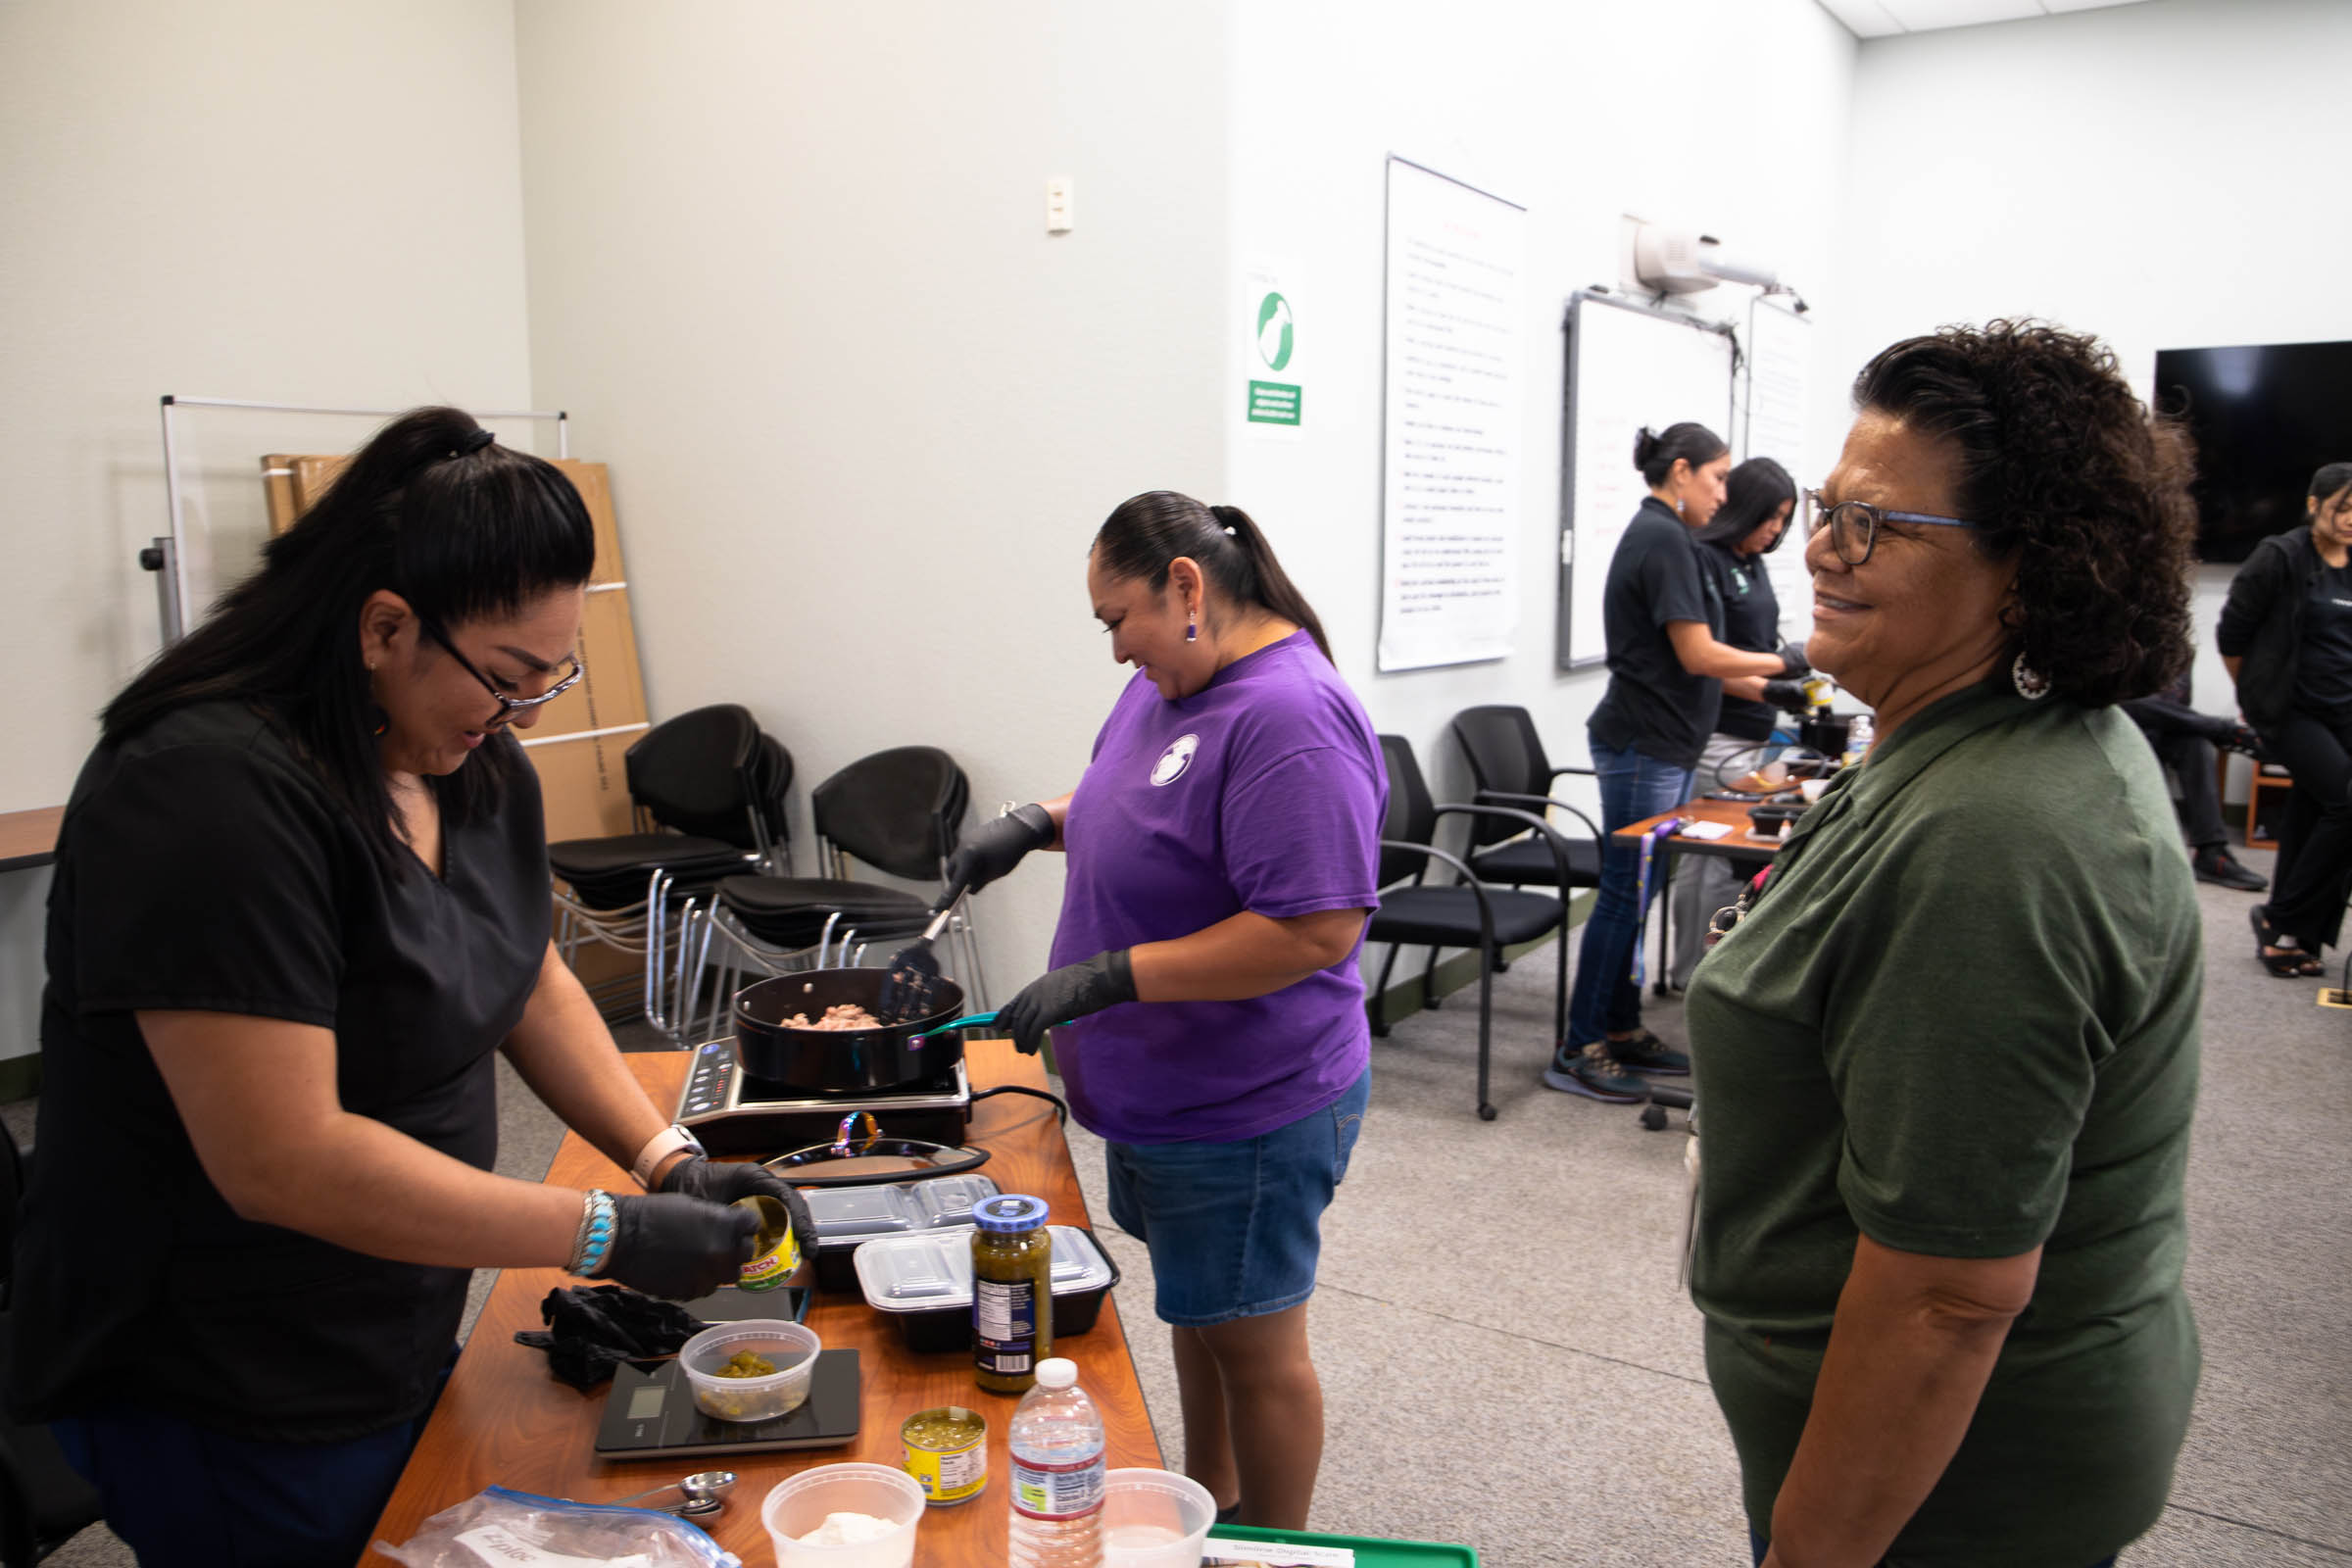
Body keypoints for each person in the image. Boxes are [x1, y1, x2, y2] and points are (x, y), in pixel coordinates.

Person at [11, 408, 812, 1568]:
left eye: (550, 678)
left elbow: (523, 971)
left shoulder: (467, 758)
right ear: (387, 626)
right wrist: (604, 1230)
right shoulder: (206, 792)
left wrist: (665, 1157)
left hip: (396, 1305)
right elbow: (284, 1158)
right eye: (509, 677)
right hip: (226, 1363)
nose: (520, 713)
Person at [1687, 320, 2201, 1568]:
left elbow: (1948, 1294)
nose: (1815, 547)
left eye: (1870, 525)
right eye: (1826, 506)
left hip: (1955, 1493)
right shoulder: (1952, 735)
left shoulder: (1998, 837)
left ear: (2029, 569)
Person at [943, 491, 1381, 1531]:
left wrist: (1109, 978)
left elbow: (1315, 929)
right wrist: (1030, 823)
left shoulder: (1289, 716)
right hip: (1166, 1095)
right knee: (1203, 1307)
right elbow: (1135, 804)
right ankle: (1214, 1506)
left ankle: (1272, 1549)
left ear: (1186, 587)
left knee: (1259, 1352)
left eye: (1115, 619)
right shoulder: (1171, 680)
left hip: (1246, 1103)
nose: (1113, 649)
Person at [1548, 423, 1803, 1102]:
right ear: (1682, 471)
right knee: (1624, 897)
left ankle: (1623, 1028)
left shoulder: (1672, 538)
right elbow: (1698, 656)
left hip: (1664, 742)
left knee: (1641, 893)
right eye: (1719, 478)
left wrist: (1777, 688)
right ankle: (1580, 1047)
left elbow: (1703, 668)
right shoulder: (1661, 538)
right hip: (1644, 743)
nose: (1726, 493)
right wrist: (1792, 661)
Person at [1668, 456, 1814, 986]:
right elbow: (1706, 662)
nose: (1774, 531)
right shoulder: (1703, 559)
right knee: (1715, 859)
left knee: (1726, 860)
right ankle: (1698, 973)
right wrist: (1775, 680)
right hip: (1718, 733)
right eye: (1769, 518)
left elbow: (1753, 645)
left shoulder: (1751, 561)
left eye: (1783, 520)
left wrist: (1784, 693)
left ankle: (1702, 969)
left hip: (1754, 733)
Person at [2218, 461, 2352, 975]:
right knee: (2345, 803)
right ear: (2315, 504)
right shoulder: (2278, 557)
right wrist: (2257, 698)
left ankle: (2289, 938)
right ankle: (2278, 918)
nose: (2348, 519)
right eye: (2341, 507)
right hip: (2292, 712)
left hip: (2344, 711)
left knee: (2315, 810)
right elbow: (2232, 638)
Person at [2119, 670, 2268, 891]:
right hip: (2113, 729)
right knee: (2129, 706)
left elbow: (2178, 701)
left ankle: (2211, 853)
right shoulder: (2113, 641)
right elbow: (2117, 703)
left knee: (2194, 742)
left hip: (2156, 731)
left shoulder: (2175, 645)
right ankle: (2228, 731)